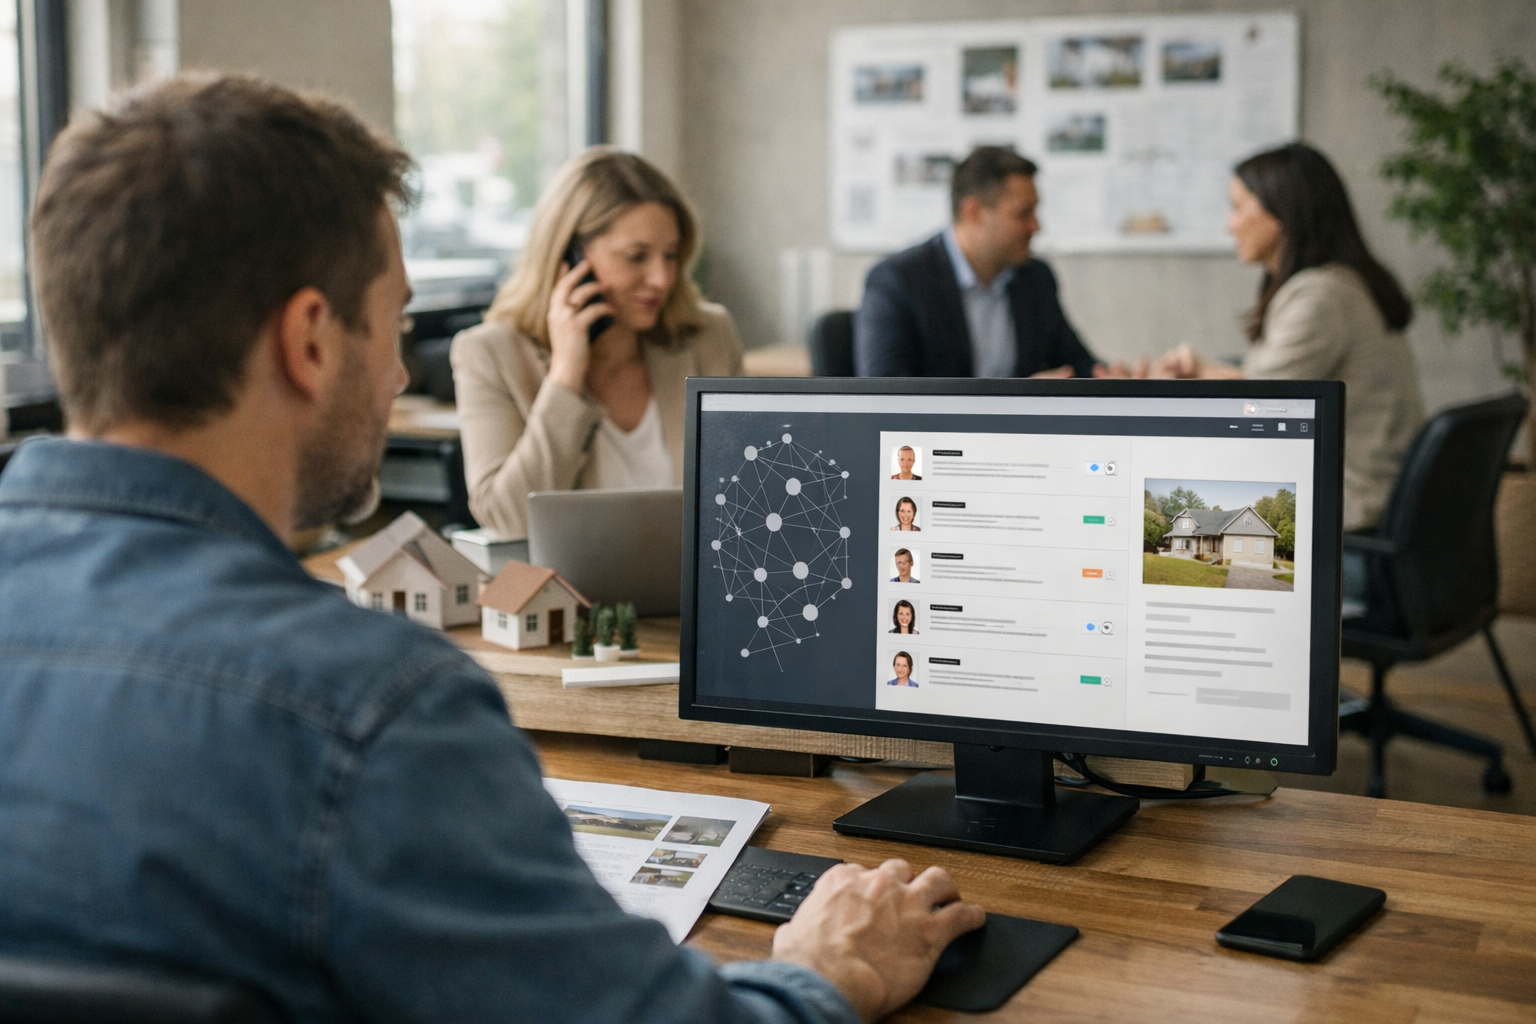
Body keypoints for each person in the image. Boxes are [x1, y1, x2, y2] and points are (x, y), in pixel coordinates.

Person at [0, 72, 983, 1023]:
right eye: (390, 324)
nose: (394, 376)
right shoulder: (377, 714)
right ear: (309, 340)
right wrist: (822, 970)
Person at [453, 147, 743, 539]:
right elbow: (507, 519)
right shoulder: (490, 354)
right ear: (570, 257)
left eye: (671, 256)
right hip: (571, 598)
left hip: (695, 594)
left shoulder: (708, 336)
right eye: (636, 256)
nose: (661, 278)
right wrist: (566, 377)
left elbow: (747, 494)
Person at [1152, 142, 1424, 533]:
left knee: (1180, 506)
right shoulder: (1340, 282)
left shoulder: (1321, 297)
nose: (1230, 225)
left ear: (1281, 212)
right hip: (1378, 494)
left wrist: (1185, 384)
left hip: (1352, 505)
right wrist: (1202, 369)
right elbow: (1268, 383)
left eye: (1238, 207)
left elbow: (1260, 407)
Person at [855, 146, 1106, 379]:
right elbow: (886, 401)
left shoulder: (1035, 277)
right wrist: (1017, 403)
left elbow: (1077, 363)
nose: (1036, 226)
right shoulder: (897, 281)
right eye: (1023, 213)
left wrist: (1114, 381)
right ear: (973, 213)